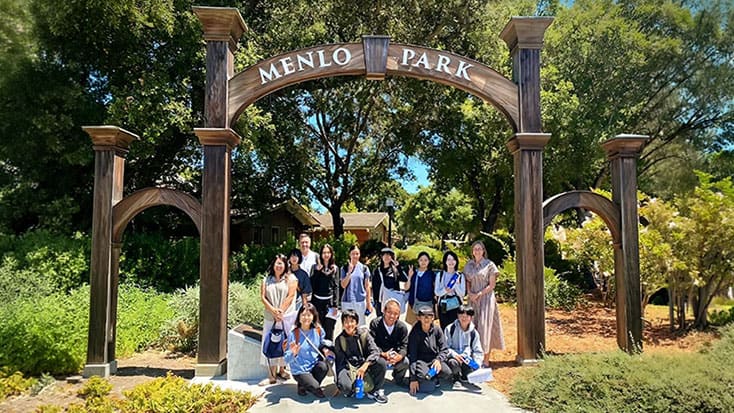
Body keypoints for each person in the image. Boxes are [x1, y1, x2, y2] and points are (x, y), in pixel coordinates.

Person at [463, 240, 505, 367]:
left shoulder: (489, 265)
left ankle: (485, 360)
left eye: (479, 249)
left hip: (486, 299)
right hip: (472, 300)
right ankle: (473, 357)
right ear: (472, 251)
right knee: (472, 327)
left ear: (483, 251)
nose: (477, 251)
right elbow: (467, 281)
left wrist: (479, 294)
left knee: (485, 328)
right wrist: (470, 293)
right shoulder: (468, 265)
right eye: (475, 249)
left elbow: (492, 285)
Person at [334, 309, 388, 404]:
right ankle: (351, 388)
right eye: (346, 322)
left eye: (352, 321)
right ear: (342, 324)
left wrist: (365, 365)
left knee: (381, 362)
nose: (349, 324)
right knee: (344, 387)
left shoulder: (364, 334)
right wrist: (339, 381)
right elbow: (339, 362)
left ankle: (374, 391)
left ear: (357, 323)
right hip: (349, 368)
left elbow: (375, 351)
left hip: (365, 365)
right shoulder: (339, 340)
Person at [260, 253, 298, 385]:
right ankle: (271, 374)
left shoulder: (291, 278)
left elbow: (291, 295)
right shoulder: (266, 280)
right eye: (277, 263)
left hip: (285, 317)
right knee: (271, 343)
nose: (279, 266)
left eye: (281, 263)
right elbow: (263, 297)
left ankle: (282, 370)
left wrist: (280, 311)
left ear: (285, 265)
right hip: (270, 317)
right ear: (273, 264)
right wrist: (273, 311)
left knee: (284, 343)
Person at [285, 303, 333, 398]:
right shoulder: (294, 334)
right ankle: (305, 384)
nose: (306, 318)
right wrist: (293, 353)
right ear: (299, 317)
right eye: (303, 315)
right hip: (300, 369)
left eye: (309, 315)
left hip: (313, 366)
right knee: (315, 388)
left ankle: (306, 384)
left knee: (323, 367)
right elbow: (286, 359)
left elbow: (322, 343)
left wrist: (328, 347)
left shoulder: (318, 330)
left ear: (313, 317)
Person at [407, 305, 452, 395]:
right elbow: (413, 355)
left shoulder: (437, 329)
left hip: (434, 359)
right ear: (418, 317)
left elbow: (444, 349)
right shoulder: (415, 332)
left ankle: (433, 378)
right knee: (427, 386)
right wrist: (413, 378)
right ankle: (426, 378)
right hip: (421, 360)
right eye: (424, 316)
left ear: (433, 317)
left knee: (447, 372)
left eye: (429, 316)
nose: (426, 318)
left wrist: (438, 360)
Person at [369, 298, 410, 386]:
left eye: (395, 314)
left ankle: (398, 378)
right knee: (379, 362)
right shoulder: (375, 324)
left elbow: (405, 345)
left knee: (405, 361)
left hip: (394, 355)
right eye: (389, 312)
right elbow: (371, 343)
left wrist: (399, 356)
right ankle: (376, 380)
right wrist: (382, 353)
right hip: (380, 354)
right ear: (384, 311)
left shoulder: (402, 327)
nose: (392, 316)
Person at [444, 305, 484, 390]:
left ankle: (465, 374)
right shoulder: (450, 329)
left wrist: (477, 365)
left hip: (467, 359)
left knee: (469, 373)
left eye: (467, 316)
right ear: (458, 316)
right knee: (453, 363)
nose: (464, 318)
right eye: (461, 316)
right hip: (453, 357)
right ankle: (456, 377)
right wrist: (455, 355)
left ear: (471, 317)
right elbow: (445, 347)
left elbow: (478, 350)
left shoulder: (474, 333)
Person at [310, 243, 339, 340]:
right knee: (317, 328)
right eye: (324, 253)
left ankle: (329, 352)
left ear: (331, 254)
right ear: (321, 254)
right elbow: (312, 285)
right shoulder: (315, 267)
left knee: (329, 329)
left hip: (329, 303)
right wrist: (317, 271)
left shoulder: (334, 268)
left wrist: (335, 305)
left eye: (328, 252)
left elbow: (336, 287)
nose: (326, 255)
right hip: (317, 302)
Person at [340, 245, 373, 326]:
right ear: (349, 254)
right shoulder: (344, 268)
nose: (355, 256)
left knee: (360, 326)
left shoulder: (364, 268)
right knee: (347, 326)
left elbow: (367, 287)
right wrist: (349, 273)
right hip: (347, 301)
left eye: (357, 253)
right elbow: (343, 285)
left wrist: (368, 304)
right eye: (353, 253)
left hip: (360, 301)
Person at [372, 247, 408, 317]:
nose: (386, 257)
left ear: (392, 257)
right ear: (381, 257)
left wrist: (398, 267)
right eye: (384, 255)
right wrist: (375, 301)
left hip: (393, 300)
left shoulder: (395, 270)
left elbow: (405, 279)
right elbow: (374, 286)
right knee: (381, 321)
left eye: (389, 255)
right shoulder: (377, 270)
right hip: (381, 301)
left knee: (393, 320)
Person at [435, 251, 466, 329]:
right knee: (444, 327)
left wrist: (455, 285)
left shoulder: (460, 276)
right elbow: (437, 292)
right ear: (445, 262)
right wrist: (445, 290)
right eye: (448, 259)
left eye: (453, 259)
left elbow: (462, 293)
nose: (451, 262)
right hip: (443, 303)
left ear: (456, 261)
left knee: (456, 327)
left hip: (456, 303)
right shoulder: (440, 275)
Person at [403, 251, 435, 325]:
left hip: (428, 304)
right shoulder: (414, 273)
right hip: (414, 304)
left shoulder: (431, 274)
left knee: (426, 326)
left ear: (429, 261)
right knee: (414, 327)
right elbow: (406, 288)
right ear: (418, 261)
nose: (423, 262)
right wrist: (409, 276)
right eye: (421, 260)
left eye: (425, 260)